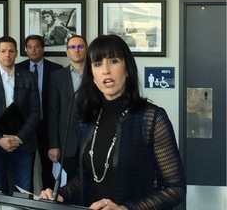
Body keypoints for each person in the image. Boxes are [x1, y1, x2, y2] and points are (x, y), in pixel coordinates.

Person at [41, 35, 186, 209]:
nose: (106, 70)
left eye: (113, 61)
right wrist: (60, 194)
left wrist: (125, 209)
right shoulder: (86, 118)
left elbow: (175, 188)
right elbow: (87, 176)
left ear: (127, 68)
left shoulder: (151, 118)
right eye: (97, 64)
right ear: (92, 75)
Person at [0, 36, 40, 199]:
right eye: (3, 51)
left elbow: (35, 112)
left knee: (24, 191)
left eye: (11, 51)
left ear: (17, 53)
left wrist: (19, 138)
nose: (7, 55)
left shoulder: (28, 77)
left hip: (23, 145)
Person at [16, 35, 63, 190]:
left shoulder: (56, 69)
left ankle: (48, 201)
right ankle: (26, 202)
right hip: (25, 126)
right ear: (25, 50)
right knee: (24, 167)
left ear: (43, 48)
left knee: (48, 166)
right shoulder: (18, 69)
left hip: (47, 124)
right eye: (29, 47)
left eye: (37, 46)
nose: (33, 50)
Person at [48, 35, 88, 182]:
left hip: (92, 141)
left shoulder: (96, 75)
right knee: (70, 187)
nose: (76, 50)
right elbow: (53, 113)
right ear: (67, 52)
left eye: (80, 46)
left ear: (86, 50)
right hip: (67, 143)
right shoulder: (57, 77)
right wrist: (54, 145)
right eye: (72, 47)